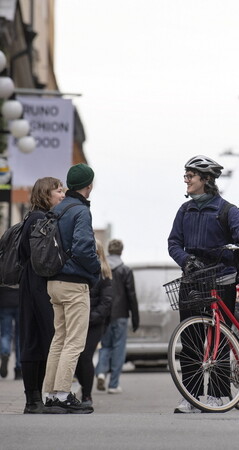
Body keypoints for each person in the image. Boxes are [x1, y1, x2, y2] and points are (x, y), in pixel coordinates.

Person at [168, 155, 239, 413]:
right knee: (191, 339)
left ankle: (218, 395)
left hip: (221, 279)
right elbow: (174, 243)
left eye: (190, 176)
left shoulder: (227, 210)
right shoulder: (184, 211)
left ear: (205, 180)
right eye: (185, 176)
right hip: (193, 280)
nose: (186, 180)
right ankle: (191, 396)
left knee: (219, 338)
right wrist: (186, 260)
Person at [43, 163, 100, 414]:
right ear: (89, 185)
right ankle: (64, 394)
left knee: (59, 340)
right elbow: (84, 248)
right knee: (75, 343)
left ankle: (50, 395)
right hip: (74, 283)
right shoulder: (80, 211)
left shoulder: (57, 209)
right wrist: (96, 269)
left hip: (53, 282)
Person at [18, 177, 65, 413]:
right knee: (41, 338)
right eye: (58, 191)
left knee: (34, 338)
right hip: (38, 282)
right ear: (46, 194)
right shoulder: (40, 218)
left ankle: (34, 399)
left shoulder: (32, 217)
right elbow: (43, 257)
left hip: (31, 282)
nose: (62, 194)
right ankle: (34, 400)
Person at [95, 239, 139, 394]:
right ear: (121, 251)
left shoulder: (102, 268)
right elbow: (131, 295)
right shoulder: (125, 270)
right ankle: (113, 384)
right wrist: (135, 318)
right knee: (118, 348)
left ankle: (100, 372)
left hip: (104, 314)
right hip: (121, 315)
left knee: (105, 346)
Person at [75, 239, 112, 406]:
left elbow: (106, 302)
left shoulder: (104, 275)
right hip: (78, 320)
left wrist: (89, 318)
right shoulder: (79, 271)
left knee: (85, 356)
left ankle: (87, 395)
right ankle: (81, 389)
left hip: (94, 324)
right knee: (75, 356)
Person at [0, 286, 21, 380]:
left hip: (4, 301)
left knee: (5, 333)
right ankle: (19, 369)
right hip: (20, 300)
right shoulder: (22, 269)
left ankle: (5, 352)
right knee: (19, 337)